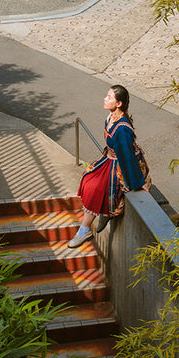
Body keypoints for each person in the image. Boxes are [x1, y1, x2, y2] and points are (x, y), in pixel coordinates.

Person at [68, 84, 150, 247]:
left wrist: (138, 182)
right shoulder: (112, 117)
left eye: (109, 97)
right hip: (111, 158)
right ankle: (102, 215)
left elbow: (126, 157)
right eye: (107, 96)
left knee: (94, 188)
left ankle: (84, 230)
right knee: (88, 178)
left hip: (121, 164)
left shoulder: (122, 130)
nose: (105, 99)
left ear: (119, 103)